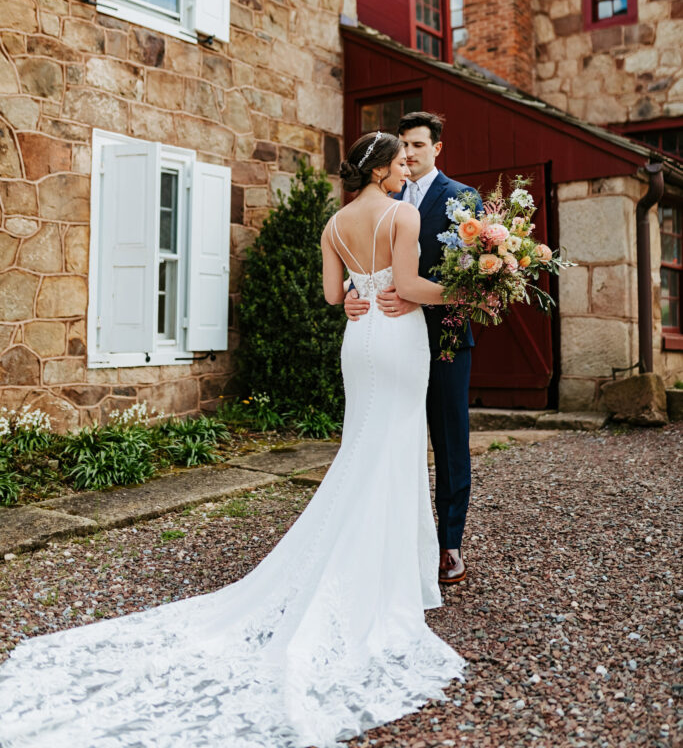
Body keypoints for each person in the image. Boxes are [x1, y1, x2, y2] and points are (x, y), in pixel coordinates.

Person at [0, 131, 465, 748]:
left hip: (361, 345)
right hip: (401, 341)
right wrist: (465, 290)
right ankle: (390, 577)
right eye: (401, 162)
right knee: (396, 449)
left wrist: (359, 295)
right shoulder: (402, 213)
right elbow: (407, 286)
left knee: (364, 447)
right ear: (382, 170)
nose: (408, 170)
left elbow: (334, 296)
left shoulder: (333, 223)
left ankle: (377, 564)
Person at [345, 112, 481, 586]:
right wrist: (351, 290)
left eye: (418, 145)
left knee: (448, 441)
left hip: (442, 338)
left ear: (437, 148)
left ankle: (448, 545)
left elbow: (472, 273)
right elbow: (363, 260)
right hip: (389, 337)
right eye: (403, 146)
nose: (410, 154)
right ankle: (386, 539)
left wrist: (413, 292)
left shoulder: (463, 198)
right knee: (386, 436)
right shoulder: (384, 196)